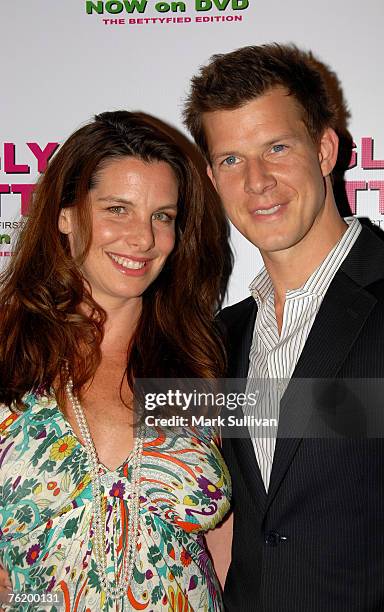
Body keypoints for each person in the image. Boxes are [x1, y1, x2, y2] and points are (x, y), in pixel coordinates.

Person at [0, 111, 232, 611]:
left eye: (162, 216)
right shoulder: (5, 350)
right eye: (117, 209)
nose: (143, 239)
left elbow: (232, 546)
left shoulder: (208, 358)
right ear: (65, 214)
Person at [183, 43, 384, 611]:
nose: (257, 182)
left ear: (324, 148)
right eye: (231, 159)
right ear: (212, 176)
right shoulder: (218, 338)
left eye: (276, 147)